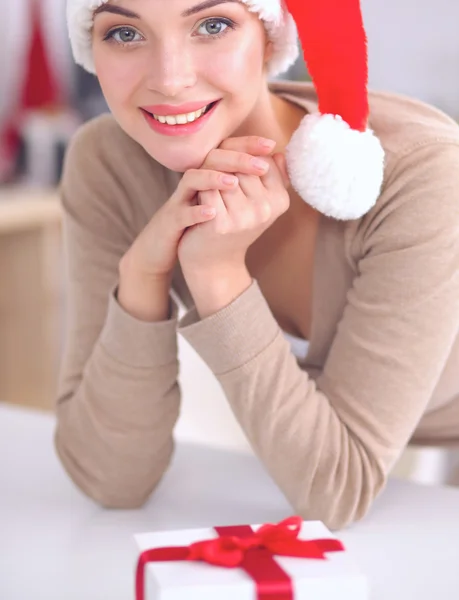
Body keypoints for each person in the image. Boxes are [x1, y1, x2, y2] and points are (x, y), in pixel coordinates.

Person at [56, 0, 459, 530]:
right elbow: (110, 478)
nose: (171, 79)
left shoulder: (420, 172)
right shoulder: (107, 165)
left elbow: (337, 492)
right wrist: (142, 279)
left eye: (213, 25)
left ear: (271, 35)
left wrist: (218, 277)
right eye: (125, 33)